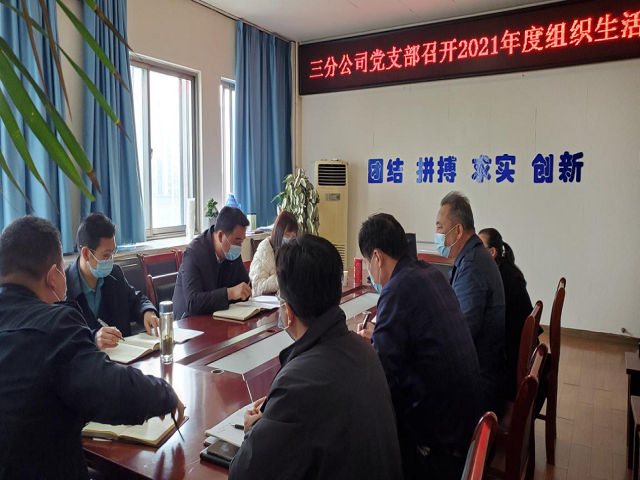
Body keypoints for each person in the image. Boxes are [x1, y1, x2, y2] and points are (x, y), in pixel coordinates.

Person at [0, 216, 185, 480]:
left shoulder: (112, 277)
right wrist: (164, 393)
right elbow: (111, 389)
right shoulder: (55, 325)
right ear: (54, 276)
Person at [229, 235, 403, 480]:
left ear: (288, 312)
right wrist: (277, 411)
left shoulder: (298, 384)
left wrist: (255, 428)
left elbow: (243, 474)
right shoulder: (363, 349)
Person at [356, 213, 484, 480]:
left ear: (377, 257)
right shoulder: (430, 273)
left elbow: (382, 376)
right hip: (468, 427)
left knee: (364, 433)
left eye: (367, 262)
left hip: (439, 448)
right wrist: (379, 339)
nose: (369, 271)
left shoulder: (395, 290)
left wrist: (364, 352)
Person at [435, 191, 507, 415]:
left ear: (458, 231)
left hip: (478, 384)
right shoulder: (472, 258)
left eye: (440, 228)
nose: (437, 236)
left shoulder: (472, 266)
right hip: (482, 371)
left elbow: (461, 333)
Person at [66, 213, 159, 350]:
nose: (110, 260)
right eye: (106, 255)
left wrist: (147, 311)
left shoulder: (114, 274)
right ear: (86, 253)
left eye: (112, 253)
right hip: (86, 360)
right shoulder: (65, 286)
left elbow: (136, 300)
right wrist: (94, 338)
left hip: (123, 356)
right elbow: (65, 337)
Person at [479, 228, 542, 401]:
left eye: (479, 248)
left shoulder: (501, 279)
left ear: (492, 252)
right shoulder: (506, 270)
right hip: (521, 355)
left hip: (511, 367)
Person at [173, 206, 251, 320]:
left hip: (219, 318)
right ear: (220, 236)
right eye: (237, 241)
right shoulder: (194, 253)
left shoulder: (232, 253)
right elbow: (193, 302)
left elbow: (244, 285)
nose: (239, 246)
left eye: (242, 241)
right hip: (188, 322)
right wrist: (229, 293)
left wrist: (245, 291)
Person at [249, 211, 298, 297]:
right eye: (287, 235)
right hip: (267, 301)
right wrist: (281, 281)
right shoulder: (264, 250)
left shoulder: (293, 250)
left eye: (293, 236)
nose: (290, 239)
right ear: (278, 232)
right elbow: (257, 287)